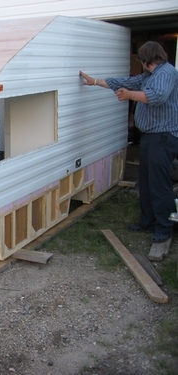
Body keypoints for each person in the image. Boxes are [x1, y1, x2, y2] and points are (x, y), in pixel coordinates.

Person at [80, 41, 178, 243]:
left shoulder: (166, 73)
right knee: (147, 181)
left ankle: (164, 227)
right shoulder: (150, 75)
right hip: (151, 137)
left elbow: (157, 96)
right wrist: (96, 81)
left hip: (162, 136)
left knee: (159, 183)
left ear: (145, 59)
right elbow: (126, 82)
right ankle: (147, 222)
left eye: (141, 60)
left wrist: (129, 95)